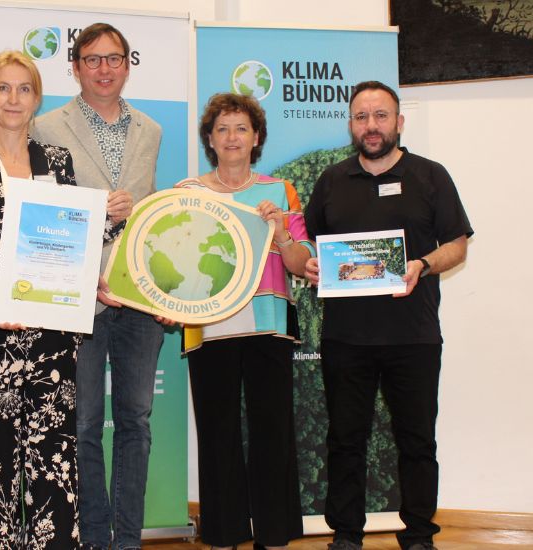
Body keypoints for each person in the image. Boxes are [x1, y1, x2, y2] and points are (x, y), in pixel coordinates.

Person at [0, 50, 129, 550]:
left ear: (36, 99)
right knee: (0, 460)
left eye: (24, 89)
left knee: (54, 462)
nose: (13, 98)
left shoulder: (56, 162)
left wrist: (105, 226)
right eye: (3, 88)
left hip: (51, 333)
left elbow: (68, 239)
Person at [303, 81, 472, 550]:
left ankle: (419, 533)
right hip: (346, 337)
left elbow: (457, 245)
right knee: (345, 440)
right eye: (361, 117)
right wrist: (312, 263)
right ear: (351, 125)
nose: (371, 126)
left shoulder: (430, 176)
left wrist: (422, 264)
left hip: (413, 336)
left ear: (399, 122)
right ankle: (348, 534)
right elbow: (311, 246)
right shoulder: (332, 181)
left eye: (380, 116)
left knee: (417, 440)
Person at [31, 22, 162, 550]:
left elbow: (150, 217)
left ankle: (127, 540)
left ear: (127, 64)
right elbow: (43, 214)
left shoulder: (151, 130)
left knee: (136, 421)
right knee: (82, 425)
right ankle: (93, 538)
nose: (104, 68)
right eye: (92, 59)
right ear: (76, 66)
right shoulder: (45, 127)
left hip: (137, 296)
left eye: (114, 58)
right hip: (77, 294)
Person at [174, 93, 309, 550]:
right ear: (210, 139)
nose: (232, 137)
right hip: (207, 325)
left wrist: (281, 232)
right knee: (217, 432)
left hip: (268, 322)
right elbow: (171, 260)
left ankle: (272, 534)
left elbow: (297, 263)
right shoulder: (187, 192)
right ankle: (224, 534)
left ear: (256, 138)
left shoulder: (280, 191)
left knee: (273, 430)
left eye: (242, 128)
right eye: (223, 129)